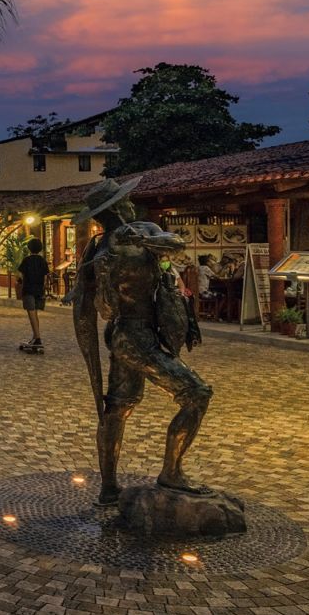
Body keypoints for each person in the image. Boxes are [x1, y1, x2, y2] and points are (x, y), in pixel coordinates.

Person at [68, 177, 208, 507]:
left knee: (118, 408)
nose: (131, 205)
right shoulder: (103, 251)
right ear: (117, 208)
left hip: (126, 335)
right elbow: (97, 306)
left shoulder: (131, 236)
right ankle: (171, 473)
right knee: (196, 394)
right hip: (134, 335)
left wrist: (143, 240)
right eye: (126, 201)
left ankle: (109, 488)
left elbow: (174, 244)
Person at [18, 239, 49, 347]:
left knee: (31, 314)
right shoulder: (43, 261)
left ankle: (38, 338)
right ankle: (35, 337)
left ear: (29, 248)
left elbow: (21, 275)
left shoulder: (26, 260)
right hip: (39, 290)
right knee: (35, 314)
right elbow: (45, 277)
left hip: (29, 290)